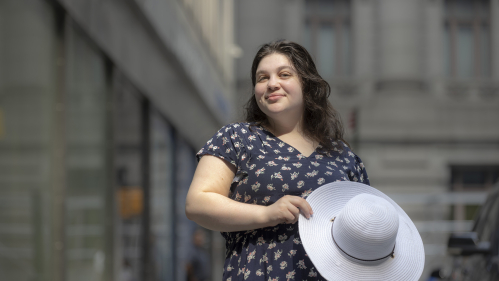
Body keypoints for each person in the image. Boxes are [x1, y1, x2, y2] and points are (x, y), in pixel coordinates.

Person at [185, 40, 369, 280]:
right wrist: (267, 214)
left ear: (307, 83)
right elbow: (197, 204)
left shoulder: (342, 155)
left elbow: (365, 223)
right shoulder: (236, 138)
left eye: (284, 74)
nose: (272, 84)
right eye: (262, 78)